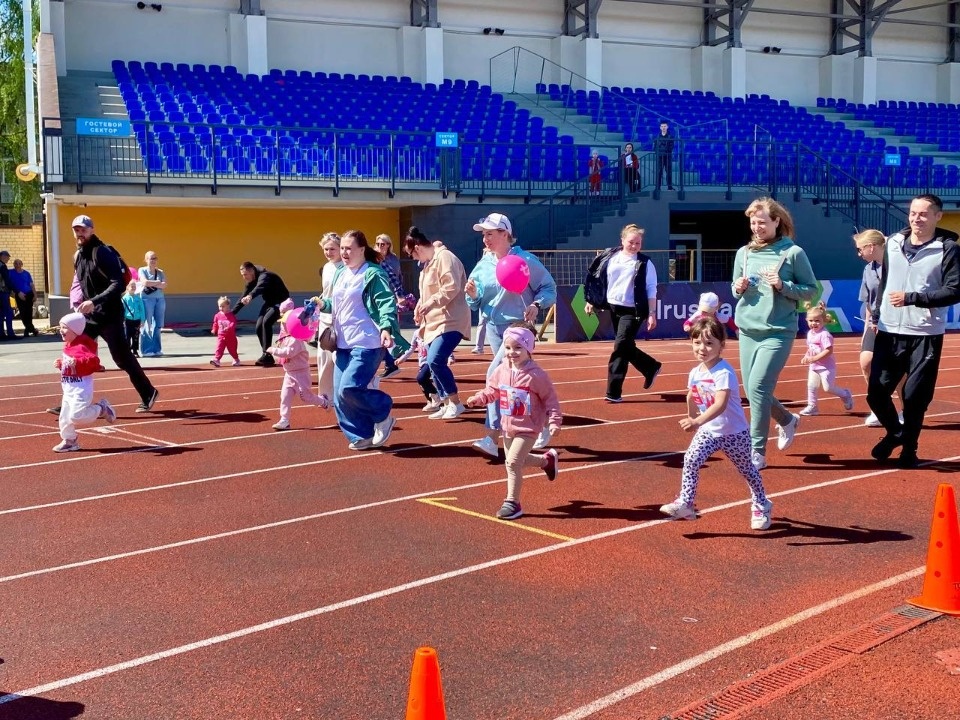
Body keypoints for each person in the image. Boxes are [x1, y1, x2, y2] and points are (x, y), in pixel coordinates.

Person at [867, 193, 960, 468]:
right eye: (912, 213)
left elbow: (955, 290)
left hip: (925, 332)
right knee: (876, 393)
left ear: (937, 217)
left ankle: (910, 449)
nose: (916, 218)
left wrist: (913, 298)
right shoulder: (893, 242)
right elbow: (885, 280)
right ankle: (896, 432)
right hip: (889, 329)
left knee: (914, 397)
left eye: (923, 214)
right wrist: (877, 311)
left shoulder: (948, 248)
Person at [659, 316, 773, 530]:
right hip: (709, 430)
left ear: (722, 346)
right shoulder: (695, 372)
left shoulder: (724, 372)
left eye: (709, 343)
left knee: (747, 470)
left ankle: (761, 504)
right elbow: (691, 395)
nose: (702, 348)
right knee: (691, 459)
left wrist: (697, 421)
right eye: (697, 342)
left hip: (734, 432)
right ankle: (686, 503)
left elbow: (720, 404)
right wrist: (692, 417)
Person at [732, 198, 817, 470]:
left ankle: (756, 451)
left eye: (762, 222)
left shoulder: (792, 253)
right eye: (753, 222)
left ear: (777, 221)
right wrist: (739, 286)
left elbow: (811, 290)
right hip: (747, 329)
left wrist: (783, 285)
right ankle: (787, 420)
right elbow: (735, 291)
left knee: (757, 388)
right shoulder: (743, 253)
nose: (757, 227)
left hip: (778, 331)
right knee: (754, 390)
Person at [465, 213, 557, 457]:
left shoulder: (525, 260)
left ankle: (491, 436)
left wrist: (537, 304)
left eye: (490, 234)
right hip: (494, 328)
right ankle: (539, 425)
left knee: (496, 376)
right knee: (515, 384)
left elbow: (549, 288)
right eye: (483, 234)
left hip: (518, 329)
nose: (485, 239)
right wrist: (473, 294)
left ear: (505, 234)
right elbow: (474, 301)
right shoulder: (483, 264)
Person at [464, 324, 561, 521]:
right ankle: (546, 461)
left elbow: (551, 399)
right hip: (507, 426)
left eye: (518, 348)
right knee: (519, 461)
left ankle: (512, 503)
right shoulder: (501, 369)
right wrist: (479, 398)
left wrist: (554, 421)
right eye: (507, 348)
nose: (511, 353)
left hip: (529, 427)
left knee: (513, 462)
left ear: (529, 348)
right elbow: (492, 390)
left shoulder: (536, 375)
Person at [314, 230, 400, 451]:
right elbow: (338, 304)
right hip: (342, 343)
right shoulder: (341, 273)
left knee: (350, 388)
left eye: (349, 248)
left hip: (367, 342)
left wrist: (387, 327)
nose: (344, 252)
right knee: (340, 393)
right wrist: (324, 305)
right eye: (342, 248)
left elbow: (385, 302)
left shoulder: (372, 273)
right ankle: (361, 435)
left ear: (362, 249)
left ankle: (383, 413)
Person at [70, 215, 159, 413]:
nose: (80, 233)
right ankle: (74, 403)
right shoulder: (78, 256)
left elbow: (117, 284)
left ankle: (148, 392)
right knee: (76, 353)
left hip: (110, 314)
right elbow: (79, 283)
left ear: (92, 230)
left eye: (83, 229)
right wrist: (77, 303)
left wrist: (94, 301)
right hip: (90, 317)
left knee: (122, 358)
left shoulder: (101, 252)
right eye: (76, 230)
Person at [583, 223, 663, 402]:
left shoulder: (645, 262)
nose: (634, 246)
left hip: (634, 310)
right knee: (625, 346)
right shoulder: (609, 256)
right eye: (631, 242)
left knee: (620, 346)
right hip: (613, 307)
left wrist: (652, 313)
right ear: (622, 240)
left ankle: (613, 392)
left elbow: (651, 289)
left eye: (638, 243)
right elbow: (597, 278)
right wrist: (591, 300)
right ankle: (651, 367)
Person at [403, 225, 471, 420]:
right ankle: (446, 401)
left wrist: (429, 304)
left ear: (417, 248)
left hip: (450, 320)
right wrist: (419, 307)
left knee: (435, 360)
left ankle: (455, 402)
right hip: (433, 323)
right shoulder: (427, 266)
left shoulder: (444, 257)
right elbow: (426, 295)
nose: (414, 259)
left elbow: (451, 287)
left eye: (412, 254)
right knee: (433, 364)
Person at [854, 229, 904, 428]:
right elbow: (868, 302)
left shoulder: (898, 265)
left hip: (897, 323)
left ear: (871, 247)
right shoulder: (868, 269)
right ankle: (879, 408)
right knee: (866, 362)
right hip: (875, 323)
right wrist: (867, 328)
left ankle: (905, 409)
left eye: (860, 250)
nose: (859, 254)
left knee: (900, 371)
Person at [52, 312, 117, 452]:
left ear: (75, 330)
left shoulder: (82, 346)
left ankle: (101, 408)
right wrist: (62, 364)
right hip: (68, 388)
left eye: (64, 328)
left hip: (81, 388)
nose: (60, 330)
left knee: (76, 416)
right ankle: (70, 440)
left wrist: (76, 362)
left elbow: (94, 362)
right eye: (60, 327)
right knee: (64, 418)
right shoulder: (68, 345)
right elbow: (70, 366)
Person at [266, 304, 330, 431]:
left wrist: (273, 350)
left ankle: (324, 402)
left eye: (284, 323)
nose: (282, 325)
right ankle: (284, 420)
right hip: (289, 373)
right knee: (285, 396)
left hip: (301, 373)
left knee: (306, 397)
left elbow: (289, 352)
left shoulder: (296, 340)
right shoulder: (286, 338)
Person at [798, 302, 854, 416]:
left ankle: (845, 394)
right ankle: (812, 406)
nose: (814, 323)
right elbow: (810, 348)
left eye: (817, 321)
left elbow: (829, 350)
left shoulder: (825, 335)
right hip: (814, 366)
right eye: (811, 320)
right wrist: (806, 357)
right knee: (811, 386)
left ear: (824, 320)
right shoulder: (810, 333)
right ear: (807, 320)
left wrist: (814, 358)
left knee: (828, 388)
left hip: (826, 367)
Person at [232, 261, 291, 367]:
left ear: (252, 271)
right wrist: (231, 314)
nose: (244, 277)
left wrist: (250, 296)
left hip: (282, 303)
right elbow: (242, 298)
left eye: (245, 275)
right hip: (269, 303)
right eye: (242, 275)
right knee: (259, 326)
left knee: (266, 322)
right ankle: (267, 354)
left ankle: (267, 354)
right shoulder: (251, 282)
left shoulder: (265, 276)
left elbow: (260, 287)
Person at [374, 233, 412, 380]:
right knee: (383, 331)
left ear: (389, 245)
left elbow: (395, 278)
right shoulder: (374, 258)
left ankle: (393, 361)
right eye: (377, 244)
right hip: (375, 299)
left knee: (386, 330)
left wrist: (399, 296)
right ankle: (391, 363)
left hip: (386, 299)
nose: (380, 247)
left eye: (383, 244)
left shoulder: (391, 260)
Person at [316, 232, 343, 397]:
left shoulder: (346, 267)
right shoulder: (326, 267)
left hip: (340, 318)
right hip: (324, 317)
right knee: (323, 357)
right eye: (326, 249)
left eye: (332, 249)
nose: (328, 252)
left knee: (339, 358)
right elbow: (327, 292)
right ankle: (326, 396)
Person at [138, 250, 167, 356]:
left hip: (160, 299)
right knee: (147, 324)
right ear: (146, 260)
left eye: (155, 258)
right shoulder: (142, 270)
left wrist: (153, 284)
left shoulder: (160, 272)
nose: (153, 260)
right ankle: (146, 350)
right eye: (151, 258)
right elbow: (144, 282)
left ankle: (156, 349)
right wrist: (158, 283)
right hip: (146, 299)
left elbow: (164, 285)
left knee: (158, 325)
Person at [409, 326, 441, 412]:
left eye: (416, 315)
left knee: (421, 378)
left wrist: (450, 357)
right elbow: (412, 347)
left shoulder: (432, 330)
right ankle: (431, 402)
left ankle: (436, 395)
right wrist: (402, 358)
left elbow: (441, 345)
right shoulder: (416, 333)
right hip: (422, 363)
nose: (413, 318)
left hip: (430, 361)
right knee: (422, 382)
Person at [10, 257, 38, 337]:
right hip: (19, 295)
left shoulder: (26, 273)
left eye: (19, 263)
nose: (17, 265)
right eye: (16, 263)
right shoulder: (11, 273)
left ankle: (28, 330)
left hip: (29, 294)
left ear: (22, 265)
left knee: (28, 313)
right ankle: (32, 329)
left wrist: (35, 295)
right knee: (22, 313)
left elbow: (31, 285)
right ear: (13, 265)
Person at [210, 295, 240, 367]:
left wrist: (229, 328)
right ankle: (217, 360)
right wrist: (214, 329)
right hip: (221, 336)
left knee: (232, 350)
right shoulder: (217, 315)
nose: (221, 308)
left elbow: (233, 323)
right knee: (219, 348)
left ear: (228, 306)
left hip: (231, 337)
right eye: (220, 306)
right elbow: (215, 323)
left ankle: (236, 359)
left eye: (223, 306)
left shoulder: (231, 315)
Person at [121, 280, 145, 357]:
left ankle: (135, 351)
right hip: (128, 320)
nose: (133, 287)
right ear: (127, 288)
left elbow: (142, 309)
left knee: (136, 336)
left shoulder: (138, 298)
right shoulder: (124, 299)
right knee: (127, 336)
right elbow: (122, 310)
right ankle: (128, 351)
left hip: (137, 320)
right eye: (131, 286)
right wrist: (123, 320)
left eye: (134, 286)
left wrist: (142, 320)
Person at [653, 121, 675, 191]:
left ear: (667, 127)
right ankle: (658, 187)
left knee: (669, 172)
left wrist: (663, 150)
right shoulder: (657, 137)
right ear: (660, 127)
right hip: (660, 157)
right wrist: (659, 152)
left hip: (668, 157)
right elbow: (655, 147)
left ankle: (669, 187)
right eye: (662, 126)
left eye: (665, 126)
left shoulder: (670, 137)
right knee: (659, 172)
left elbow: (671, 148)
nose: (663, 128)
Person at [0, 250, 13, 340]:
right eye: (7, 257)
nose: (8, 258)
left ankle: (1, 334)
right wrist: (12, 291)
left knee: (1, 314)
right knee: (8, 312)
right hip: (3, 292)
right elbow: (6, 280)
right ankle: (10, 334)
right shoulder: (2, 266)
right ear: (2, 256)